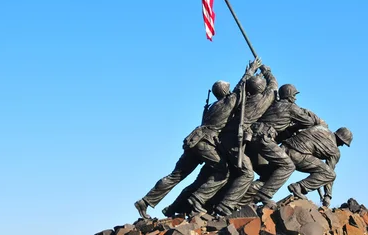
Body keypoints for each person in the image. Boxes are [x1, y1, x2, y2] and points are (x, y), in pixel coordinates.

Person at [134, 58, 262, 219]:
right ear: (225, 92)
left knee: (176, 175)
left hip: (193, 140)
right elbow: (241, 87)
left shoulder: (211, 107)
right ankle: (197, 202)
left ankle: (145, 201)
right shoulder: (228, 102)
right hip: (205, 142)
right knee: (223, 171)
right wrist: (251, 71)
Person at [243, 84, 325, 207]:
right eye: (294, 95)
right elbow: (308, 122)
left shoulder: (273, 105)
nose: (295, 98)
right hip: (264, 138)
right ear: (289, 95)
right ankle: (264, 195)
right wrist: (304, 113)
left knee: (268, 175)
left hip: (253, 138)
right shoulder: (291, 107)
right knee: (288, 166)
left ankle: (241, 201)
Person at [213, 64, 278, 216]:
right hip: (236, 140)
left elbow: (238, 89)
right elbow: (274, 85)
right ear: (261, 89)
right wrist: (266, 71)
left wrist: (249, 73)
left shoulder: (240, 100)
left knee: (234, 172)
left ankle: (225, 202)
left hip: (225, 138)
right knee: (248, 174)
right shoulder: (263, 99)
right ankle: (226, 206)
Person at [282, 125, 353, 208]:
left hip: (283, 148)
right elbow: (328, 173)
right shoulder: (334, 151)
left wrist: (320, 191)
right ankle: (298, 186)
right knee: (330, 174)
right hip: (297, 155)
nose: (342, 145)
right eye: (343, 143)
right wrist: (328, 196)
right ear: (341, 140)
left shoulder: (321, 129)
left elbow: (318, 173)